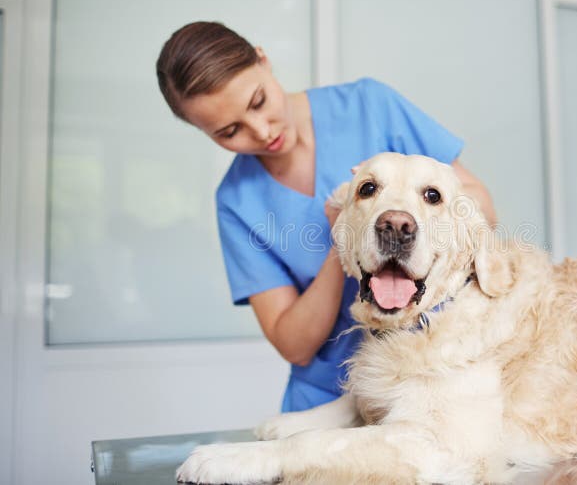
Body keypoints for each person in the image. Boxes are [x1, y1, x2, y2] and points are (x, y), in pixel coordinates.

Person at [156, 21, 497, 413]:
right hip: (323, 399)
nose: (262, 131)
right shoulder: (236, 201)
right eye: (230, 131)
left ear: (264, 61)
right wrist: (346, 240)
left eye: (258, 101)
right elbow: (294, 345)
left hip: (426, 379)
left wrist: (418, 218)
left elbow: (482, 207)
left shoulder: (371, 106)